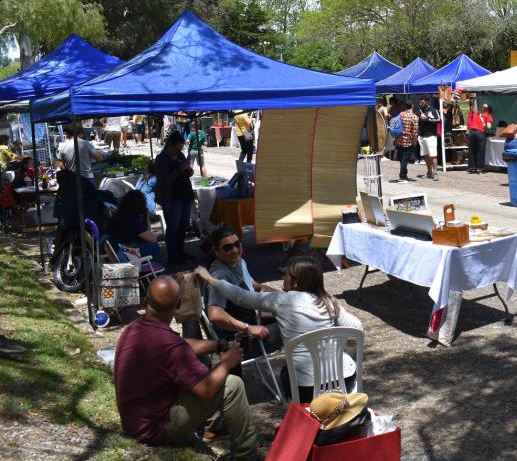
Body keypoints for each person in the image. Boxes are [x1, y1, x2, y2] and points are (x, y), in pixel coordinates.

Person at [113, 275, 262, 461]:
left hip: (135, 421)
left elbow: (183, 346)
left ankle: (213, 428)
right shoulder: (169, 345)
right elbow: (206, 389)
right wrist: (227, 362)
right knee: (232, 384)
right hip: (154, 429)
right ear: (178, 306)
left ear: (146, 303)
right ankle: (247, 460)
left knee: (201, 374)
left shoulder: (134, 328)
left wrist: (218, 345)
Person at [195, 255, 362, 403]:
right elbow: (356, 327)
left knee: (286, 373)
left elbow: (240, 296)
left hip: (308, 389)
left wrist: (209, 279)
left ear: (296, 282)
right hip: (345, 378)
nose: (283, 277)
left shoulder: (281, 301)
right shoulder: (329, 301)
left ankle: (298, 417)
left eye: (286, 274)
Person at [204, 227, 281, 362]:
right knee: (293, 325)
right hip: (238, 341)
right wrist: (248, 328)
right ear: (216, 251)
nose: (234, 250)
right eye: (227, 247)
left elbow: (251, 283)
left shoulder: (239, 262)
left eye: (237, 244)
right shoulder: (219, 275)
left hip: (252, 318)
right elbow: (214, 315)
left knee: (291, 314)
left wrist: (262, 287)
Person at [154, 132, 194, 263]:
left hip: (185, 195)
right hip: (172, 199)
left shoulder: (180, 156)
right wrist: (180, 170)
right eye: (176, 148)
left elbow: (188, 173)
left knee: (183, 226)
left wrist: (189, 169)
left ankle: (180, 251)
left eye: (181, 148)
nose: (179, 150)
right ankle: (173, 256)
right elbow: (164, 180)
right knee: (173, 227)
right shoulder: (161, 159)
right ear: (169, 145)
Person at [106, 191, 162, 262]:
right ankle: (155, 270)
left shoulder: (118, 216)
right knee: (154, 246)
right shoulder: (133, 221)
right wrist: (146, 215)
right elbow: (153, 239)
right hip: (125, 253)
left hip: (117, 250)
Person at [56, 123, 104, 187]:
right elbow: (99, 158)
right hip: (87, 178)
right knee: (92, 196)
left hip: (72, 179)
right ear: (79, 133)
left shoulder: (63, 147)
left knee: (75, 196)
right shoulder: (86, 144)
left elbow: (61, 165)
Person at [393, 101, 419, 183]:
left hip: (399, 140)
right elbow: (415, 131)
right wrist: (415, 140)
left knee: (402, 159)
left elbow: (396, 126)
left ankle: (404, 175)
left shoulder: (400, 115)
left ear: (405, 106)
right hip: (408, 141)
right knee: (405, 159)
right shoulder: (414, 117)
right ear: (412, 106)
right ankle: (402, 177)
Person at [417, 96, 441, 181]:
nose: (421, 104)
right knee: (426, 155)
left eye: (422, 102)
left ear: (427, 102)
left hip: (431, 136)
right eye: (420, 102)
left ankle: (435, 173)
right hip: (422, 136)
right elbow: (419, 123)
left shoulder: (433, 110)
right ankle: (429, 172)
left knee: (433, 155)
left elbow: (438, 119)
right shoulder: (421, 110)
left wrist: (427, 119)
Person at [467, 102, 488, 175]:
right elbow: (489, 126)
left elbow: (470, 120)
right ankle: (480, 169)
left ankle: (472, 168)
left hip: (472, 132)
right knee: (480, 151)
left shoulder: (475, 113)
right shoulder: (487, 114)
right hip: (480, 133)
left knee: (472, 150)